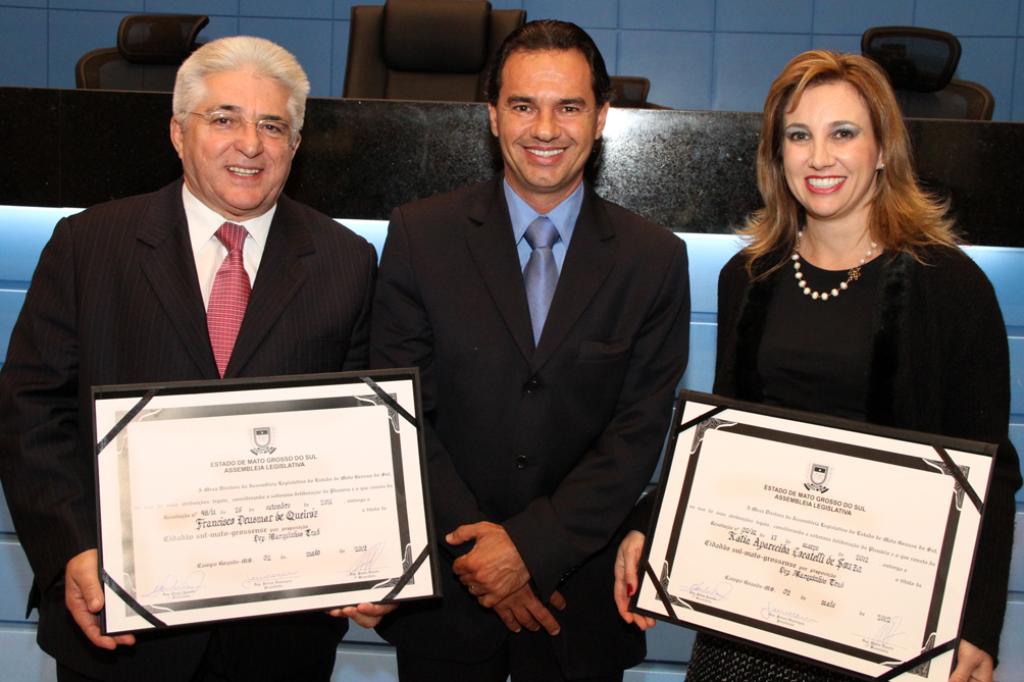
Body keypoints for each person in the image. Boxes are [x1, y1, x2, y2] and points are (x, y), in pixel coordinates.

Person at [614, 49, 1022, 682]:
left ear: (884, 148)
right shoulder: (747, 277)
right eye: (798, 136)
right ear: (777, 155)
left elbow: (991, 469)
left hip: (887, 623)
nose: (820, 157)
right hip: (752, 617)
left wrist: (978, 626)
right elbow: (725, 439)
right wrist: (654, 520)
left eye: (844, 134)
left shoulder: (951, 286)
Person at [0, 36, 389, 681]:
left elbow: (365, 436)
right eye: (224, 118)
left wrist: (372, 555)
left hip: (278, 639)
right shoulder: (87, 245)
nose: (251, 143)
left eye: (273, 125)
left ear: (296, 144)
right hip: (122, 626)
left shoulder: (347, 261)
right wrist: (72, 549)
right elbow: (29, 412)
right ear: (179, 133)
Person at [370, 19, 691, 682]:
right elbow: (401, 415)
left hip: (578, 603)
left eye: (568, 106)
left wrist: (530, 550)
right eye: (523, 105)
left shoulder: (654, 259)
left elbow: (637, 433)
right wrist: (486, 557)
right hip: (449, 602)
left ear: (601, 118)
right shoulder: (419, 236)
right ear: (492, 117)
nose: (545, 130)